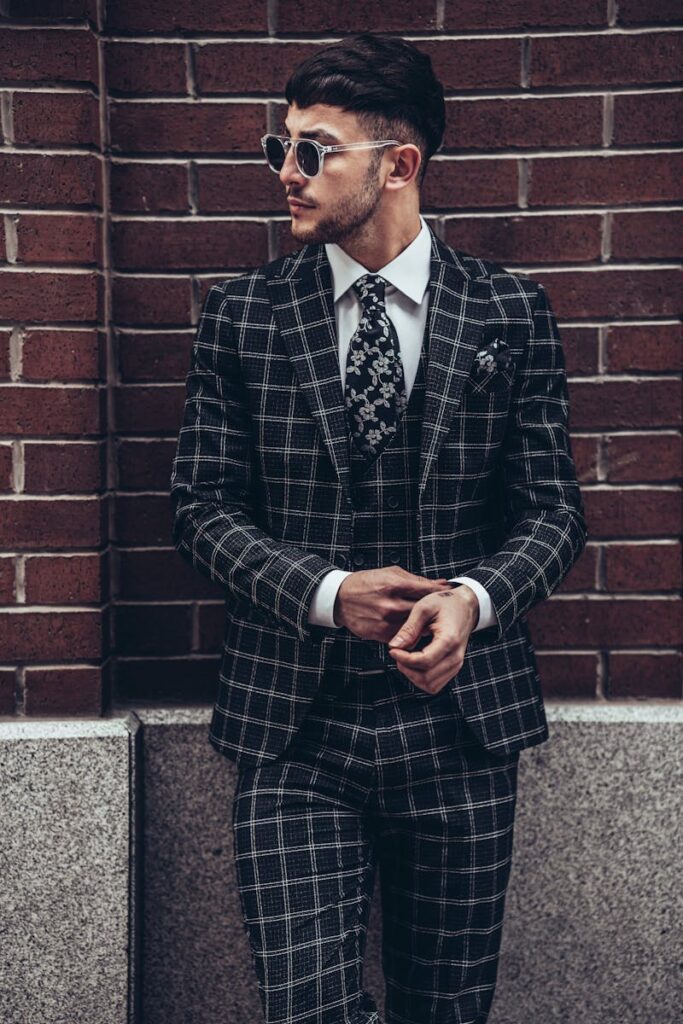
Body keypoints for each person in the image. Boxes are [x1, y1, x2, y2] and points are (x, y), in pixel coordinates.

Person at [170, 31, 586, 1024]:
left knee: (443, 1011)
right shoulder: (243, 316)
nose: (285, 172)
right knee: (306, 1010)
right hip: (294, 730)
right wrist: (325, 592)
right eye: (279, 148)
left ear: (397, 165)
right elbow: (198, 507)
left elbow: (553, 512)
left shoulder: (509, 313)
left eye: (312, 150)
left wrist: (471, 604)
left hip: (459, 731)